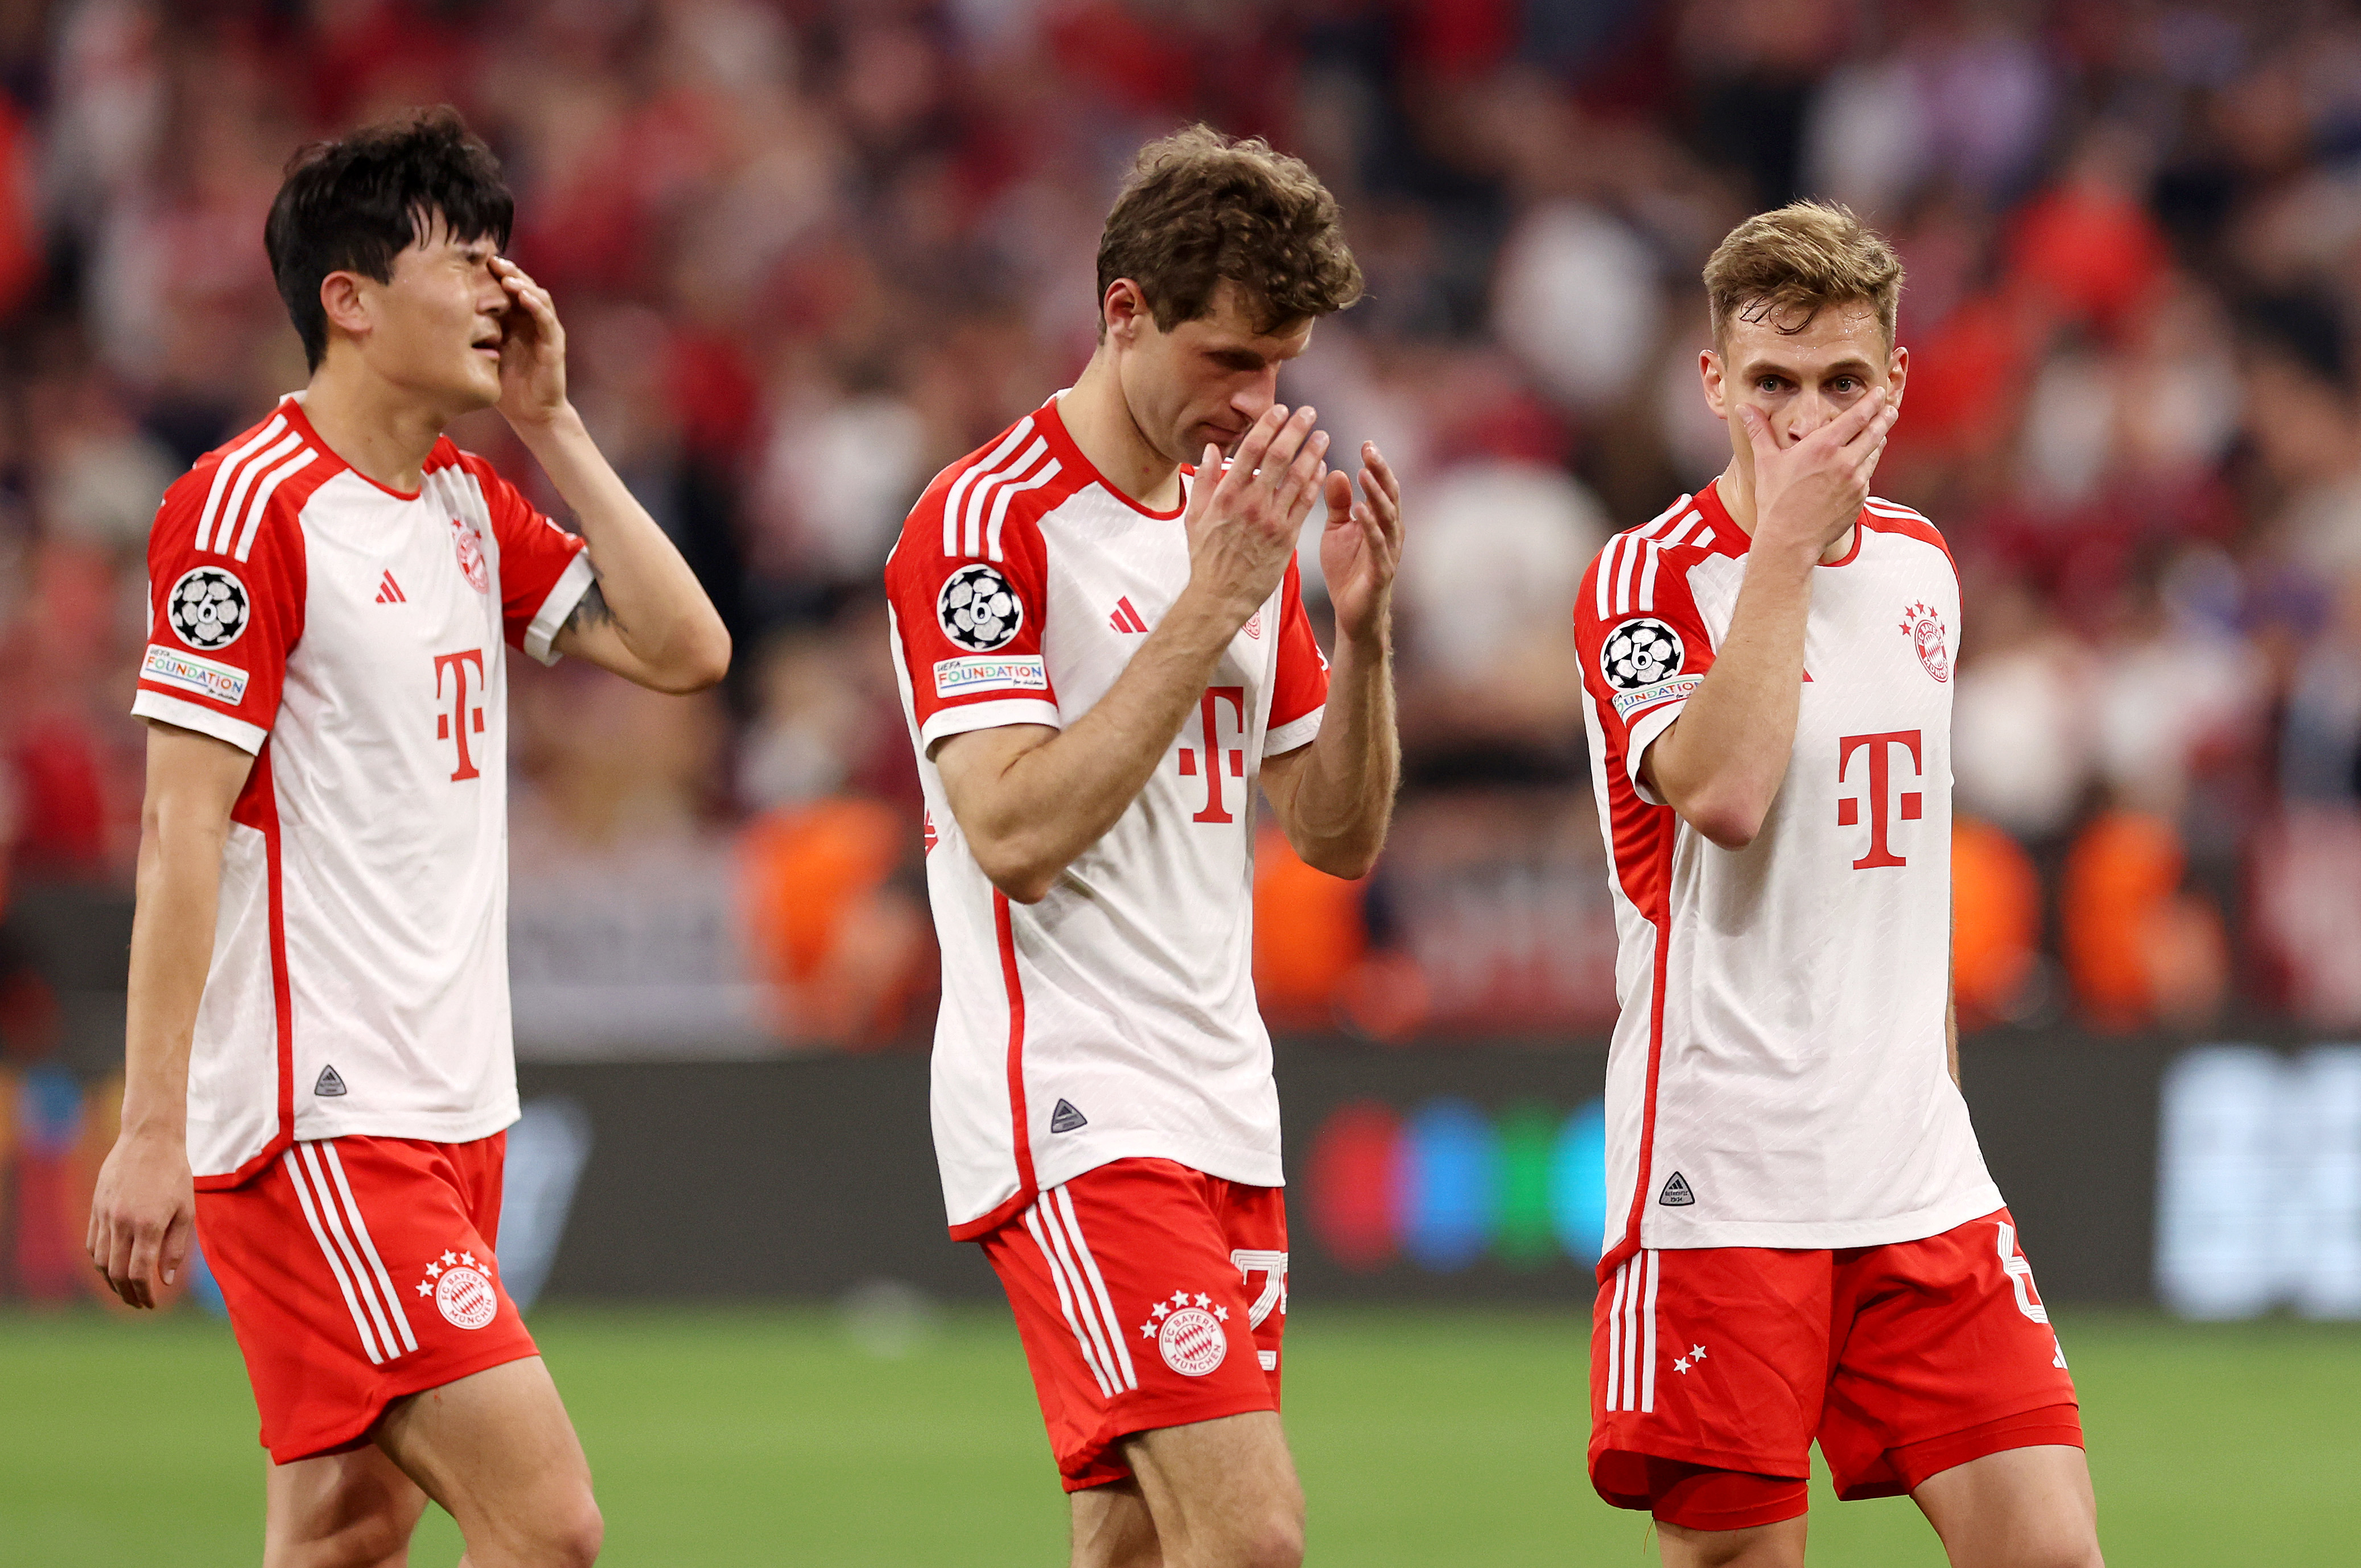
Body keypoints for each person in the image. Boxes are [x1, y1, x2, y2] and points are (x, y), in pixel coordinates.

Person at [85, 109, 728, 1568]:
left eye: (508, 258)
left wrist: (552, 423)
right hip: (326, 1112)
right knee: (549, 1523)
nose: (504, 291)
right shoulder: (246, 508)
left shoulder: (462, 500)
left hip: (450, 1105)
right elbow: (180, 827)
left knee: (344, 1534)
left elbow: (688, 649)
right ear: (351, 299)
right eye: (466, 261)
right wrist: (151, 1125)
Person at [883, 126, 1401, 1568]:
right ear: (1122, 312)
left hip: (1225, 1102)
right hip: (1072, 1103)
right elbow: (1010, 833)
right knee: (1253, 1539)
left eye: (1281, 363)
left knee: (1130, 1543)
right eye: (1229, 360)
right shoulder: (985, 523)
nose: (1257, 402)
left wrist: (1356, 638)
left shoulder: (1235, 532)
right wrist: (1211, 600)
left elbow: (1335, 835)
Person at [1571, 202, 2103, 1568]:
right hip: (1724, 1183)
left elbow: (1903, 880)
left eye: (1840, 384)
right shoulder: (1640, 581)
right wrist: (1783, 551)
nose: (1807, 423)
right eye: (1770, 386)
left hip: (1916, 1179)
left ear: (1897, 381)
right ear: (1711, 386)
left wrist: (1933, 1100)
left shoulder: (1923, 561)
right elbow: (1728, 795)